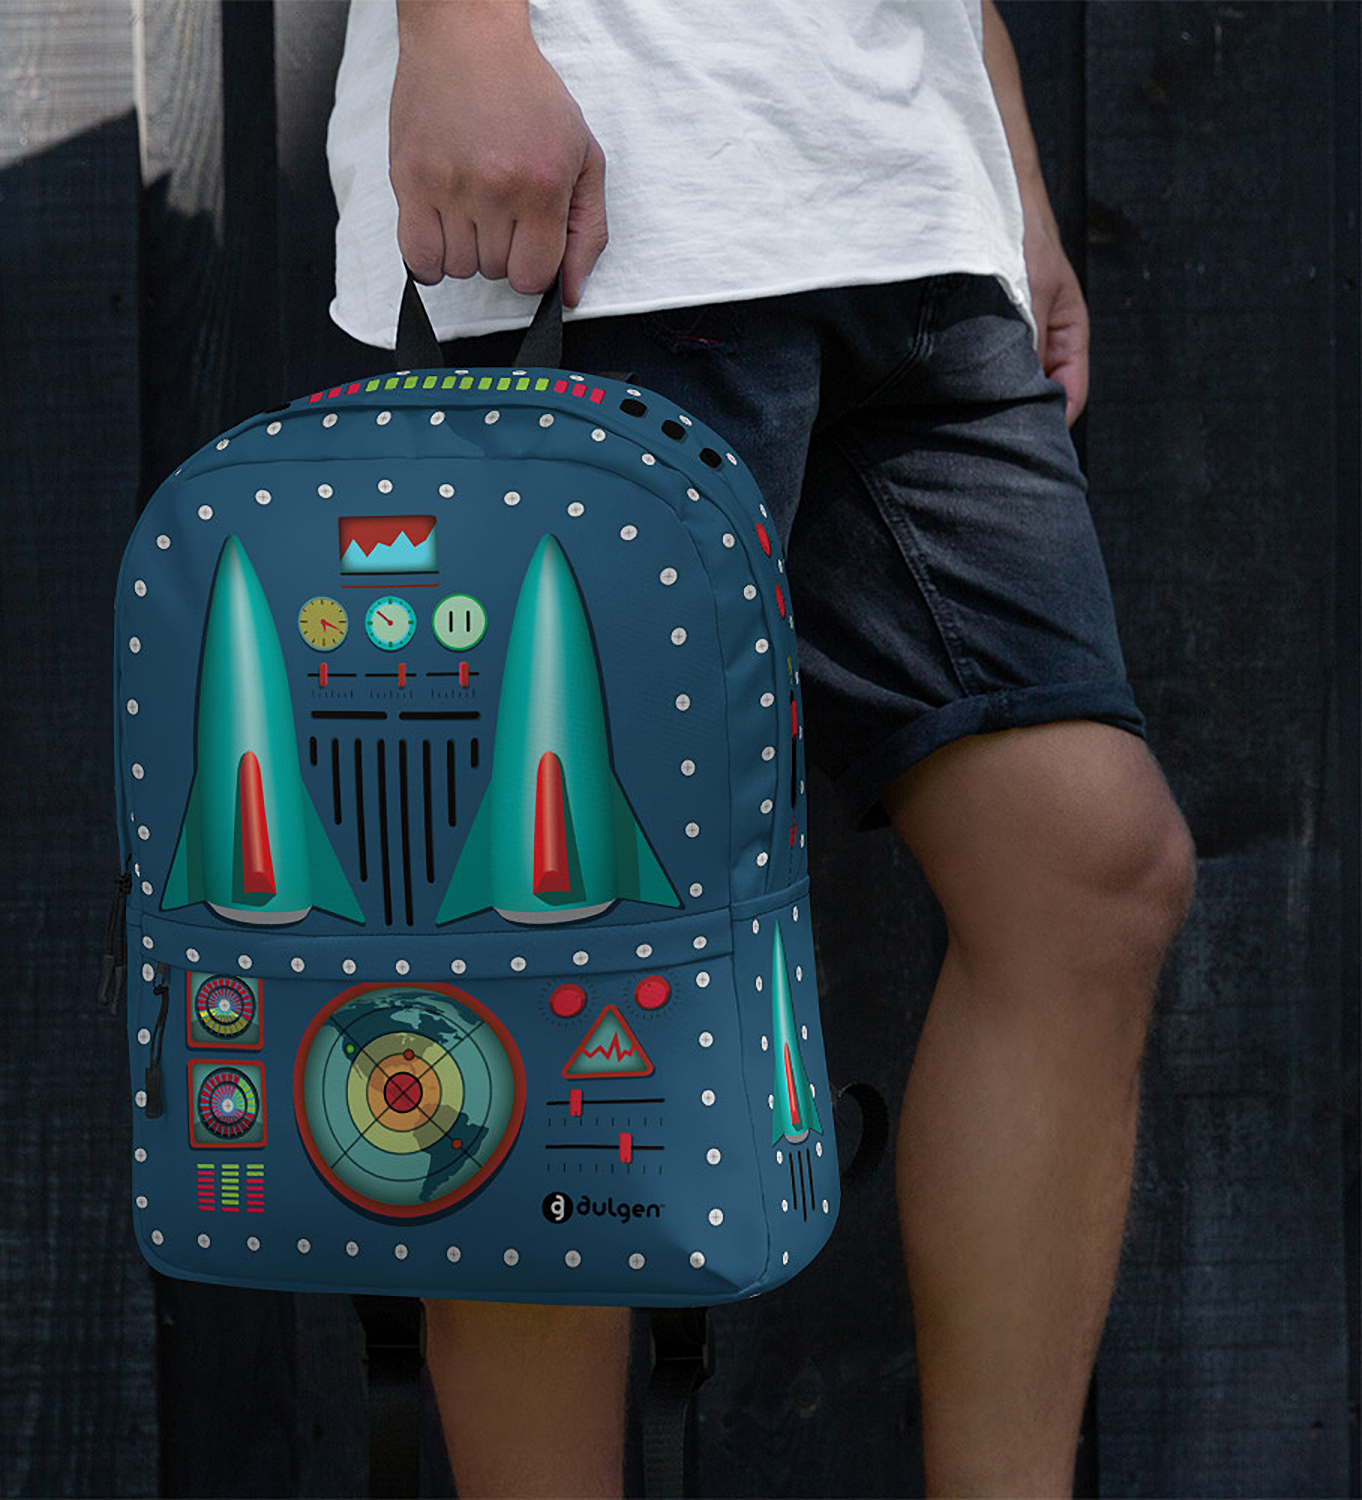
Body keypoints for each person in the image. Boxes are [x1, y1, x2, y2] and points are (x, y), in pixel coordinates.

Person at [326, 2, 1197, 1494]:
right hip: (610, 182)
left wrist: (1013, 174)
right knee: (542, 963)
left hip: (904, 201)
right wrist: (458, 32)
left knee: (1085, 867)